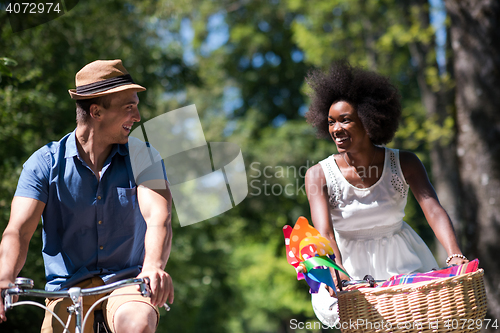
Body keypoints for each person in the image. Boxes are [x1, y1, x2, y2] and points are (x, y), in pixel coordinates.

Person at [0, 59, 174, 333]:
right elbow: (18, 231)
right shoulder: (44, 164)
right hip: (67, 290)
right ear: (96, 112)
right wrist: (5, 277)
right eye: (130, 107)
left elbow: (158, 218)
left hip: (127, 282)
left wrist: (152, 266)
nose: (138, 117)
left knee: (138, 324)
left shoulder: (143, 156)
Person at [304, 60, 467, 326]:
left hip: (403, 259)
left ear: (369, 121)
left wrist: (455, 254)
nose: (336, 129)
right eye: (331, 122)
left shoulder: (405, 163)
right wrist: (339, 274)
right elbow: (324, 233)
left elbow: (433, 209)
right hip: (348, 265)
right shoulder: (318, 174)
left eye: (345, 120)